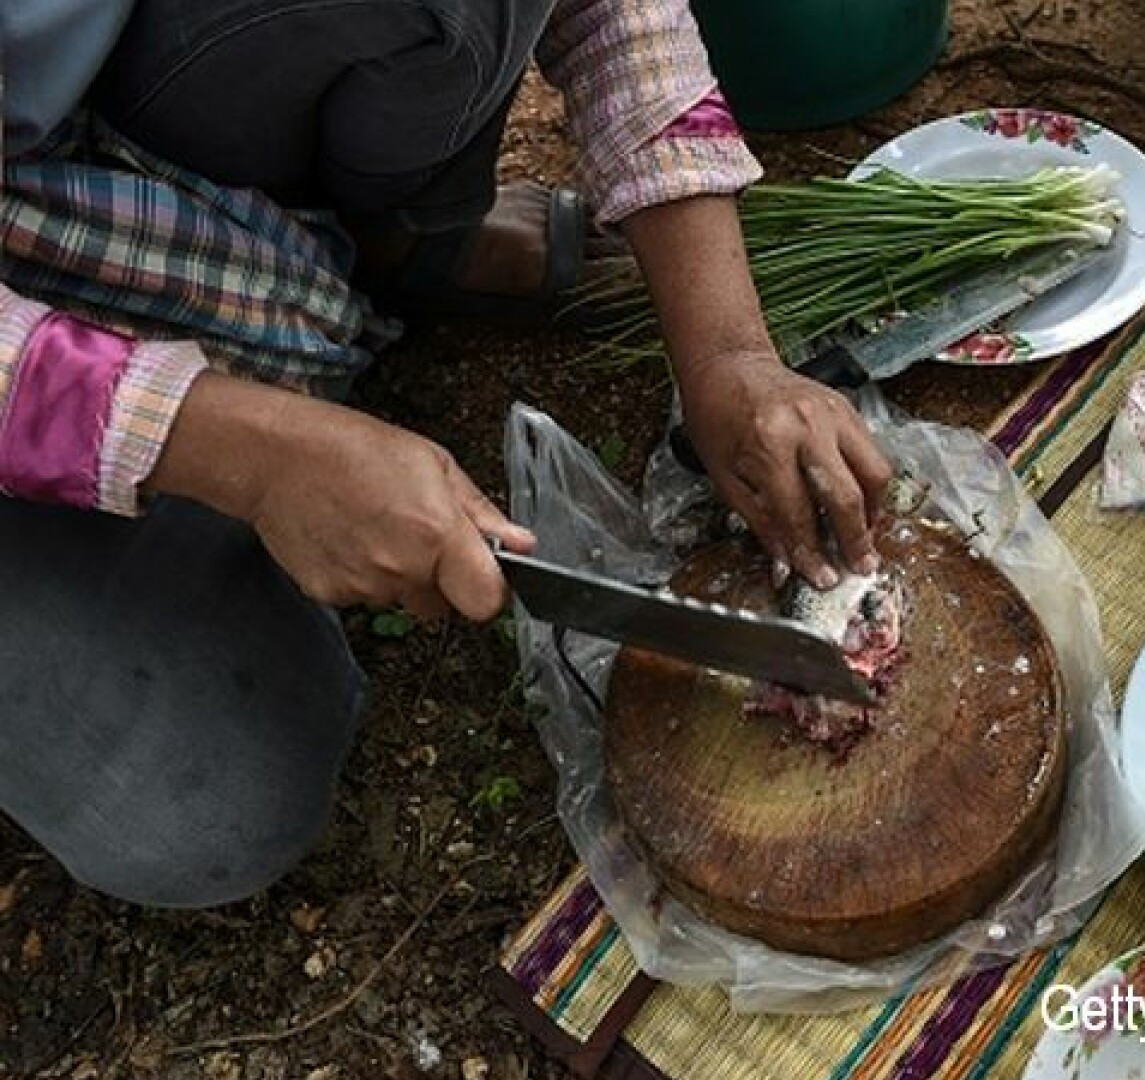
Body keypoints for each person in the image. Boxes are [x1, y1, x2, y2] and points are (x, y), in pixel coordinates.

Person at [0, 0, 892, 908]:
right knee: (206, 814)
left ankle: (395, 244)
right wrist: (241, 454)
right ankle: (200, 466)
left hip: (106, 143)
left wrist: (727, 351)